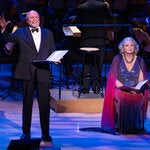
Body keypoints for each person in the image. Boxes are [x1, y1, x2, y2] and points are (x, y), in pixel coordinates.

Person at [0, 10, 55, 147]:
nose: (34, 19)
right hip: (26, 72)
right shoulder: (20, 32)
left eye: (36, 17)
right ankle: (26, 133)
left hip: (43, 72)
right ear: (27, 20)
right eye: (31, 17)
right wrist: (3, 29)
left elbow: (52, 50)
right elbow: (7, 39)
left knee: (44, 105)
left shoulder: (48, 33)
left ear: (40, 18)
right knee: (27, 104)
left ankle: (46, 134)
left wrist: (55, 59)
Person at [101, 36, 149, 134]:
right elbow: (113, 78)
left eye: (132, 45)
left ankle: (134, 126)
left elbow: (141, 78)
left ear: (135, 47)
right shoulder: (117, 59)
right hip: (120, 88)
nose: (130, 47)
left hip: (135, 89)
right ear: (123, 48)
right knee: (122, 97)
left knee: (139, 97)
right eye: (127, 45)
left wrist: (136, 89)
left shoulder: (140, 60)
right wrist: (123, 87)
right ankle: (120, 125)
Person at [76, 0, 113, 94]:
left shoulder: (80, 7)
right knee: (98, 63)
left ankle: (85, 88)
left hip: (86, 40)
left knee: (86, 63)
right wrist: (107, 7)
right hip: (99, 38)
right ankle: (97, 87)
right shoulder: (102, 6)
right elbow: (110, 18)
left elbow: (77, 23)